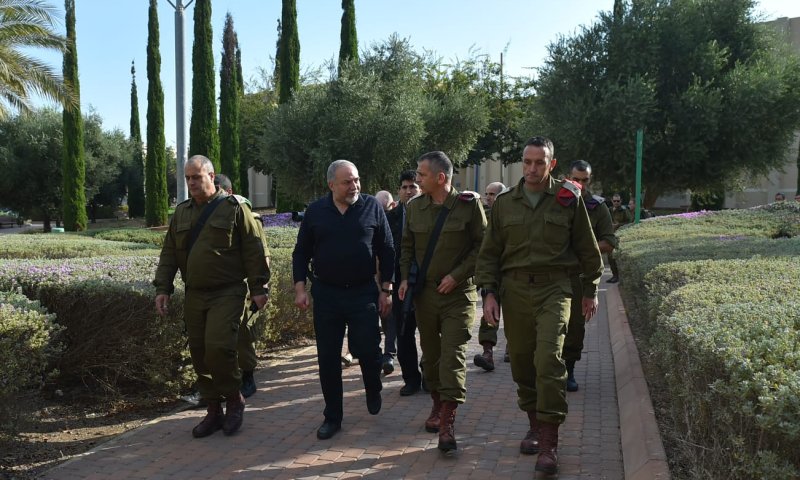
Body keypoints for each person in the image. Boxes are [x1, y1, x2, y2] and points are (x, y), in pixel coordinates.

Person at [475, 137, 602, 474]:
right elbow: (489, 253)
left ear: (552, 164)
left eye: (539, 163)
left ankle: (549, 440)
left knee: (548, 359)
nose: (532, 169)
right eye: (527, 162)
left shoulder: (567, 198)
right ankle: (533, 423)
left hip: (556, 289)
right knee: (521, 363)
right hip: (515, 291)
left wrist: (591, 289)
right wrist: (489, 294)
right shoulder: (504, 202)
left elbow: (588, 250)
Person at [154, 155, 270, 438]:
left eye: (197, 176)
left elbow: (254, 248)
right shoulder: (181, 213)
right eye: (188, 178)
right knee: (200, 353)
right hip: (195, 293)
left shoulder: (233, 208)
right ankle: (213, 410)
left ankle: (234, 400)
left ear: (212, 176)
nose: (192, 182)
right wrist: (162, 288)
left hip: (227, 291)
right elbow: (169, 254)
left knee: (219, 347)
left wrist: (259, 288)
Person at [292, 160, 395, 440]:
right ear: (331, 185)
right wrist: (300, 288)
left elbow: (387, 249)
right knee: (327, 358)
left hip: (363, 292)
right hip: (327, 294)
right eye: (347, 182)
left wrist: (386, 289)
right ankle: (332, 417)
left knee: (368, 350)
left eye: (357, 180)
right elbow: (301, 253)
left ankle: (372, 386)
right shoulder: (316, 212)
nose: (355, 186)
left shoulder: (372, 206)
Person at [398, 151, 487, 454]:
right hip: (425, 295)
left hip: (458, 296)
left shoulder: (469, 206)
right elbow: (407, 247)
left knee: (452, 354)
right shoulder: (414, 207)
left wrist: (458, 275)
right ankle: (436, 405)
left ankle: (448, 421)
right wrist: (405, 279)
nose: (416, 179)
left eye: (421, 175)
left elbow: (482, 246)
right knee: (431, 356)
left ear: (440, 178)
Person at [214, 173, 270, 399]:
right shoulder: (205, 216)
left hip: (244, 287)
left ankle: (248, 376)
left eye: (217, 188)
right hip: (219, 287)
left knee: (242, 334)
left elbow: (260, 253)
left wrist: (260, 288)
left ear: (228, 192)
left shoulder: (246, 215)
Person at [564, 161, 616, 392]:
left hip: (581, 277)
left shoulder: (597, 207)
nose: (580, 184)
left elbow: (609, 241)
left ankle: (569, 370)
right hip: (552, 274)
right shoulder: (556, 200)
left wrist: (585, 248)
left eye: (585, 180)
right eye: (576, 179)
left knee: (575, 328)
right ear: (567, 177)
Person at [385, 170, 424, 395]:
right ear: (398, 191)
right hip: (400, 283)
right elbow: (385, 253)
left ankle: (430, 376)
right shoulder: (389, 218)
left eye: (413, 187)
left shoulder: (431, 214)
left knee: (430, 332)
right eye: (404, 187)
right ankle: (411, 378)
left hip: (427, 282)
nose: (409, 191)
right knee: (403, 331)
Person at [473, 181, 508, 371]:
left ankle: (513, 347)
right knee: (489, 313)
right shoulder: (482, 215)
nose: (488, 197)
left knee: (515, 313)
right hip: (491, 273)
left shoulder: (511, 214)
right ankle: (488, 353)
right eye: (487, 194)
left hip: (511, 273)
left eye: (493, 194)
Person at [374, 189, 397, 376]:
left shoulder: (396, 222)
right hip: (372, 281)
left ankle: (389, 355)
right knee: (376, 320)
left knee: (391, 319)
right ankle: (377, 355)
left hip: (391, 281)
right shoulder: (370, 221)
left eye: (385, 208)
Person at [607, 193, 631, 283]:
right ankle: (615, 276)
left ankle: (621, 277)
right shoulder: (608, 210)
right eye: (614, 201)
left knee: (618, 257)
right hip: (610, 235)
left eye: (618, 201)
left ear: (621, 201)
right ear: (612, 201)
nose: (616, 202)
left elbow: (629, 222)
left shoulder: (624, 211)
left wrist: (618, 225)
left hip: (620, 236)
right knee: (610, 257)